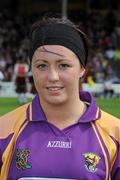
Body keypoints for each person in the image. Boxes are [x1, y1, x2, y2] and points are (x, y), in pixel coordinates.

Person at [0, 16, 120, 180]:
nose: (53, 76)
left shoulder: (115, 134)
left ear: (82, 69)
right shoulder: (4, 131)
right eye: (42, 65)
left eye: (63, 65)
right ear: (31, 69)